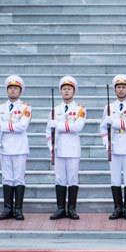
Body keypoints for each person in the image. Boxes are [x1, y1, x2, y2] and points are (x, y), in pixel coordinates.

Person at [100, 74, 126, 220]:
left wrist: (115, 123)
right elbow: (103, 128)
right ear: (115, 90)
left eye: (124, 87)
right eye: (118, 88)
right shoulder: (109, 108)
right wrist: (107, 143)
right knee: (115, 178)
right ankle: (117, 207)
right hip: (114, 145)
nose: (121, 90)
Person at [46, 76, 86, 220]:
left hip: (73, 149)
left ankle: (72, 209)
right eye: (64, 89)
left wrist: (59, 125)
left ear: (74, 91)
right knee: (60, 179)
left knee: (73, 178)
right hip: (58, 148)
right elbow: (48, 130)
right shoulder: (54, 110)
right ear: (61, 92)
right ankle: (60, 209)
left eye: (69, 89)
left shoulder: (80, 109)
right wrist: (51, 145)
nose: (66, 91)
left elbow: (77, 127)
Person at [0, 75, 31, 221]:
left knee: (19, 179)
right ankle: (7, 208)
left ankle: (18, 209)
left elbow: (22, 126)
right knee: (7, 178)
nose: (13, 91)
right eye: (10, 88)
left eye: (16, 88)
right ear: (7, 91)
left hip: (20, 147)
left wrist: (3, 125)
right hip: (5, 147)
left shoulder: (25, 107)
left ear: (20, 91)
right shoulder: (0, 107)